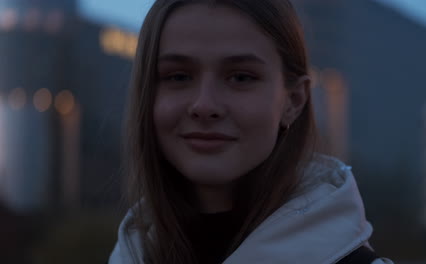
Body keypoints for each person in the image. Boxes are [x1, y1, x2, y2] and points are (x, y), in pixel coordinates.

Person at [109, 0, 393, 263]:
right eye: (178, 76)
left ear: (293, 101)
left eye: (241, 77)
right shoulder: (129, 253)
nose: (205, 105)